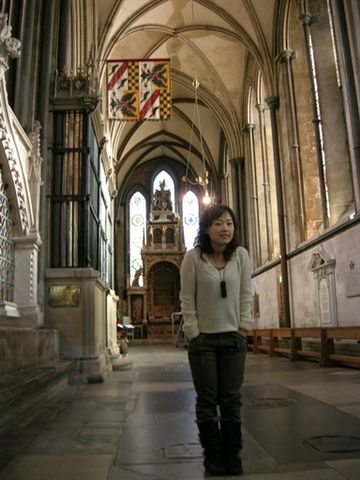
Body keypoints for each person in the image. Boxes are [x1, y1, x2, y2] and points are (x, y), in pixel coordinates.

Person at [180, 204, 253, 476]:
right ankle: (213, 455)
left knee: (232, 400)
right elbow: (187, 298)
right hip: (204, 343)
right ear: (207, 228)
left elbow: (246, 293)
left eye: (229, 223)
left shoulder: (242, 257)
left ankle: (232, 455)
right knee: (208, 401)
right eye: (219, 223)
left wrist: (244, 327)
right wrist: (193, 333)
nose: (225, 228)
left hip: (234, 339)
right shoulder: (193, 258)